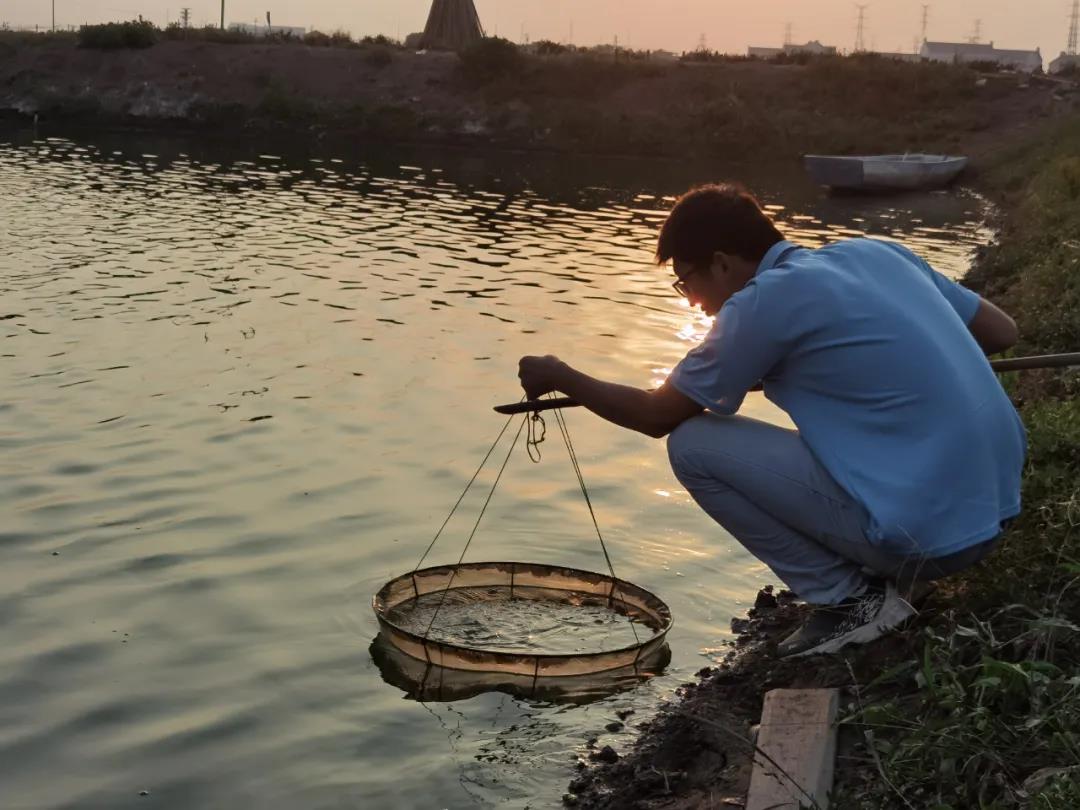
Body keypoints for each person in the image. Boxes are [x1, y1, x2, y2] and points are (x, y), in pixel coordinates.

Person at [517, 184, 1026, 658]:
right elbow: (1001, 332)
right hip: (995, 510)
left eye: (685, 281)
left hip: (930, 540)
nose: (690, 300)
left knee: (692, 444)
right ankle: (892, 557)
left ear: (719, 264)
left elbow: (656, 416)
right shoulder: (876, 254)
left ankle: (851, 601)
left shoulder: (762, 303)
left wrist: (561, 374)